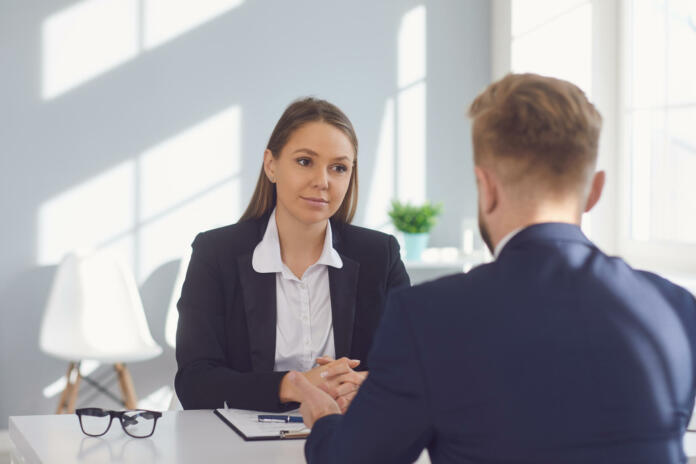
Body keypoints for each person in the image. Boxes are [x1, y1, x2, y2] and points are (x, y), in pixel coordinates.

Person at [292, 74, 696, 463]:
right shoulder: (677, 307)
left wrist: (325, 419)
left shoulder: (429, 316)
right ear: (595, 190)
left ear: (485, 186)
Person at [175, 97, 410, 412]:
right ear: (271, 165)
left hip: (347, 437)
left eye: (338, 168)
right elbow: (194, 382)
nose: (322, 182)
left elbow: (412, 367)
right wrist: (297, 385)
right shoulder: (215, 253)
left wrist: (363, 384)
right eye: (304, 161)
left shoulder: (380, 255)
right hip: (242, 444)